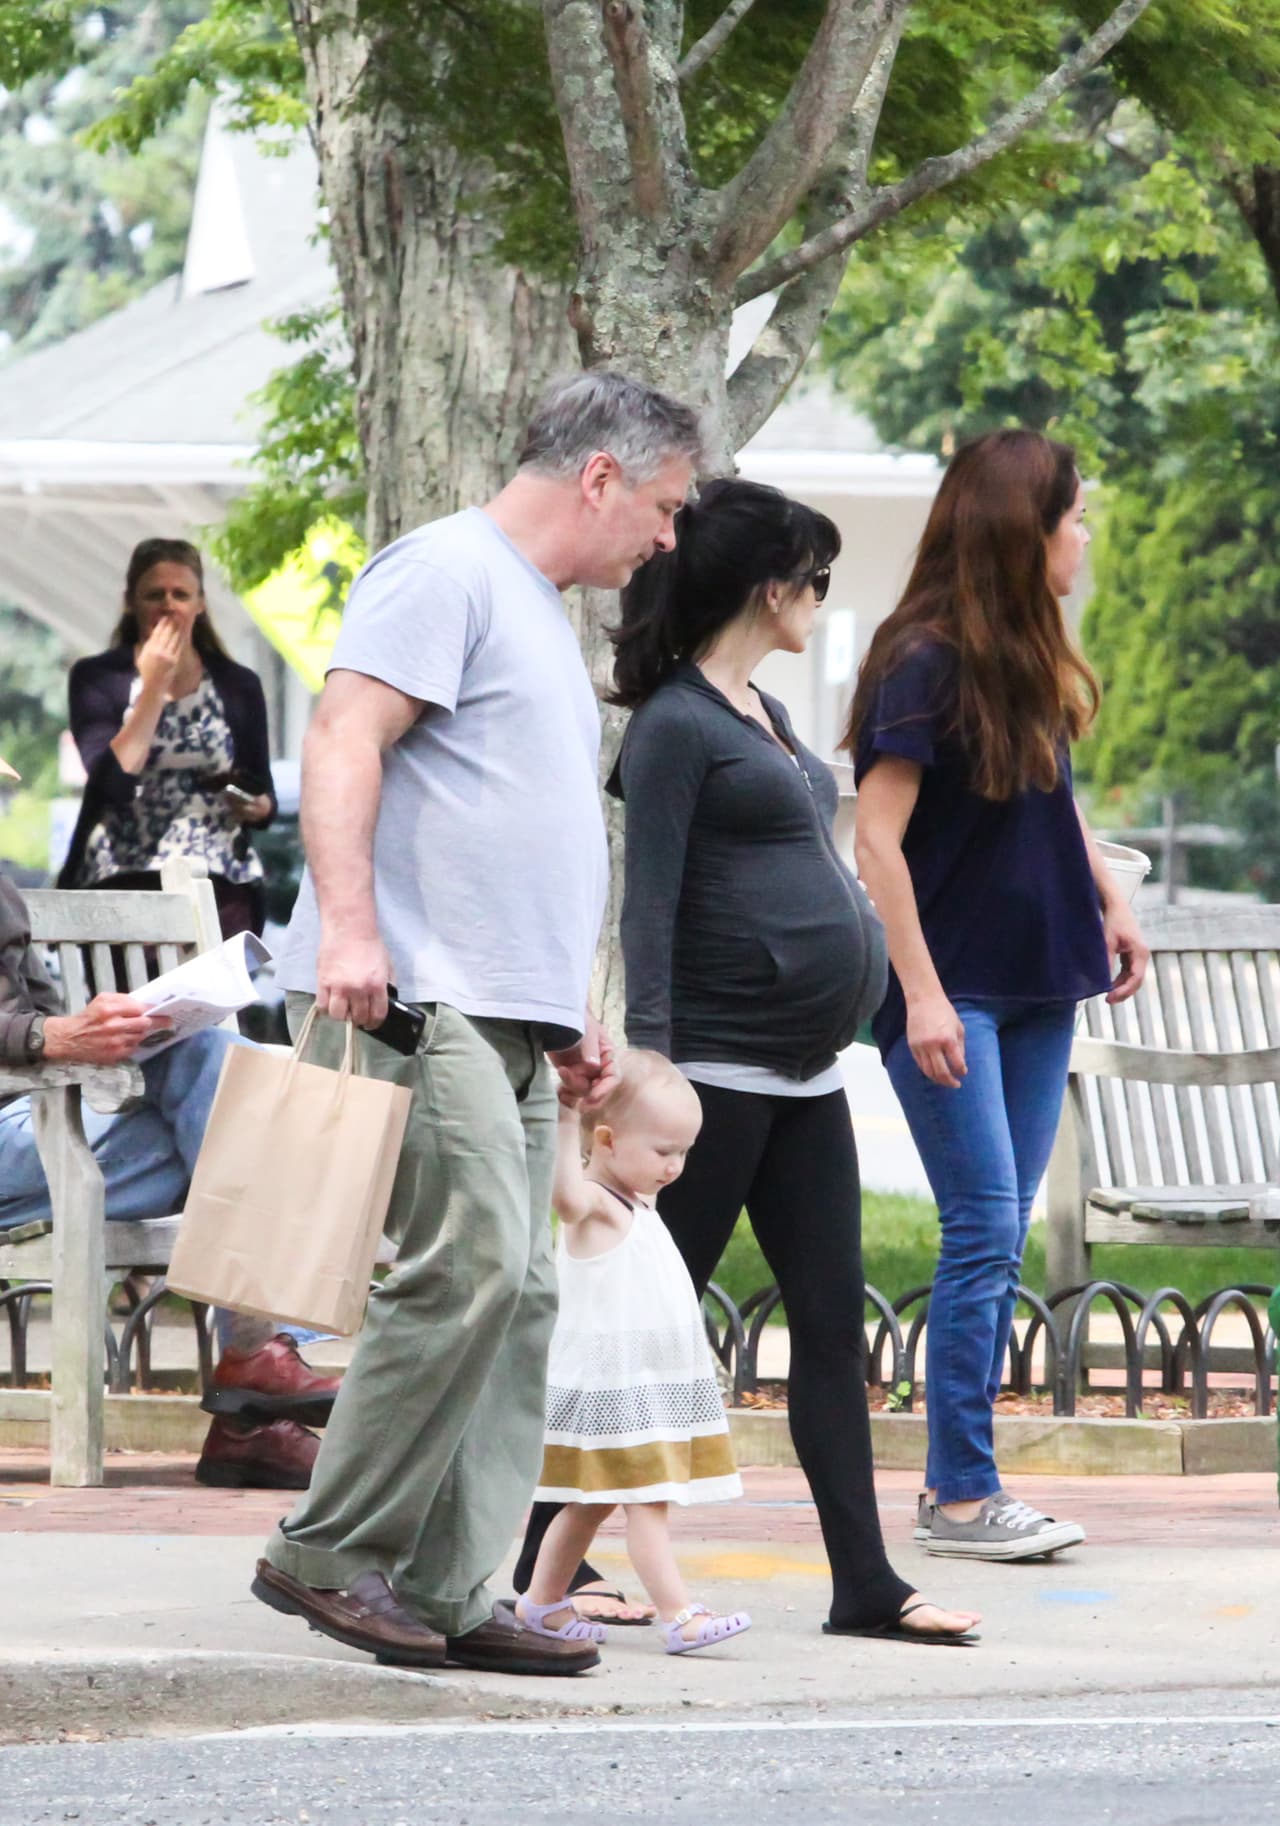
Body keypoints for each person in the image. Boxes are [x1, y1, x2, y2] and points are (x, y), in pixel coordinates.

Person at [248, 372, 704, 1679]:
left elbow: (508, 826)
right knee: (467, 1268)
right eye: (666, 506)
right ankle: (326, 1551)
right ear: (602, 475)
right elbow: (346, 735)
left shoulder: (534, 610)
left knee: (524, 1293)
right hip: (424, 991)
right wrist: (347, 928)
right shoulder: (441, 568)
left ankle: (454, 1584)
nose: (670, 537)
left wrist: (571, 1013)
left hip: (511, 1008)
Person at [514, 477, 980, 1646]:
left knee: (830, 1328)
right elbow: (648, 906)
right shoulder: (675, 724)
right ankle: (528, 1569)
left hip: (806, 1078)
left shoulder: (759, 708)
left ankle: (863, 1582)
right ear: (770, 587)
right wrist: (649, 1072)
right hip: (707, 1090)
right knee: (622, 1326)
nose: (821, 597)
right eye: (813, 577)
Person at [847, 428, 1150, 1562]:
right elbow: (875, 840)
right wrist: (919, 995)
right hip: (953, 989)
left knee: (999, 1230)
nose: (1084, 534)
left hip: (1034, 984)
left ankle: (965, 1489)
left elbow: (1048, 794)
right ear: (1024, 530)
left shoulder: (1024, 648)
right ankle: (959, 1497)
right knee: (980, 1230)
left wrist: (1107, 895)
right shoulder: (919, 658)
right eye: (1073, 517)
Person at [0, 753, 339, 1488]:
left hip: (47, 1119)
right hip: (25, 1122)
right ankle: (259, 1369)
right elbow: (29, 1032)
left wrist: (99, 1027)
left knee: (236, 1089)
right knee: (228, 1079)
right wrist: (47, 1039)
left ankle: (253, 1388)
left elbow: (33, 1013)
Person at [517, 1051, 752, 1657]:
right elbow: (564, 1195)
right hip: (614, 1391)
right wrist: (565, 1114)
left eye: (683, 1153)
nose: (675, 1166)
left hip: (640, 1386)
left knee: (589, 1505)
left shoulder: (640, 1205)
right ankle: (681, 1615)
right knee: (647, 1501)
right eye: (663, 1151)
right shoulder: (596, 1207)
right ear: (607, 1141)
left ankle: (542, 1603)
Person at [59, 538, 276, 941]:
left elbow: (265, 793)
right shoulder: (99, 678)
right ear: (131, 602)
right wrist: (154, 686)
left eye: (181, 594)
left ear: (200, 604)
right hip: (124, 877)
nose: (168, 605)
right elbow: (113, 783)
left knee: (213, 1002)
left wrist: (257, 805)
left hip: (218, 879)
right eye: (154, 595)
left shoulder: (236, 684)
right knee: (130, 1004)